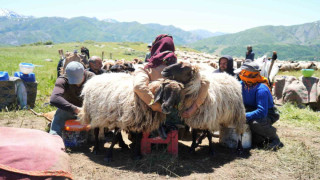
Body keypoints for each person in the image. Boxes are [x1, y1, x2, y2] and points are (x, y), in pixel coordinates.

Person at [134, 34, 209, 137]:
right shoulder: (182, 68)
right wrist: (193, 108)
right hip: (177, 117)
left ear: (155, 48)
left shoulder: (146, 68)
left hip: (151, 117)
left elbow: (139, 87)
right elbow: (205, 82)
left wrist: (155, 105)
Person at [238, 60, 283, 150]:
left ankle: (274, 139)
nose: (240, 74)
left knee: (255, 123)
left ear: (248, 74)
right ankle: (259, 137)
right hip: (249, 110)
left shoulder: (261, 89)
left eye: (243, 73)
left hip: (268, 113)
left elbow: (262, 111)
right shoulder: (242, 84)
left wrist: (244, 116)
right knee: (256, 140)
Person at [49, 61, 95, 136]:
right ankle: (55, 138)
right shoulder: (63, 80)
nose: (76, 83)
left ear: (84, 72)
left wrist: (86, 110)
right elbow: (54, 98)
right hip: (68, 109)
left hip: (88, 110)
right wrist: (75, 109)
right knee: (59, 115)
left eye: (79, 79)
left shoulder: (92, 78)